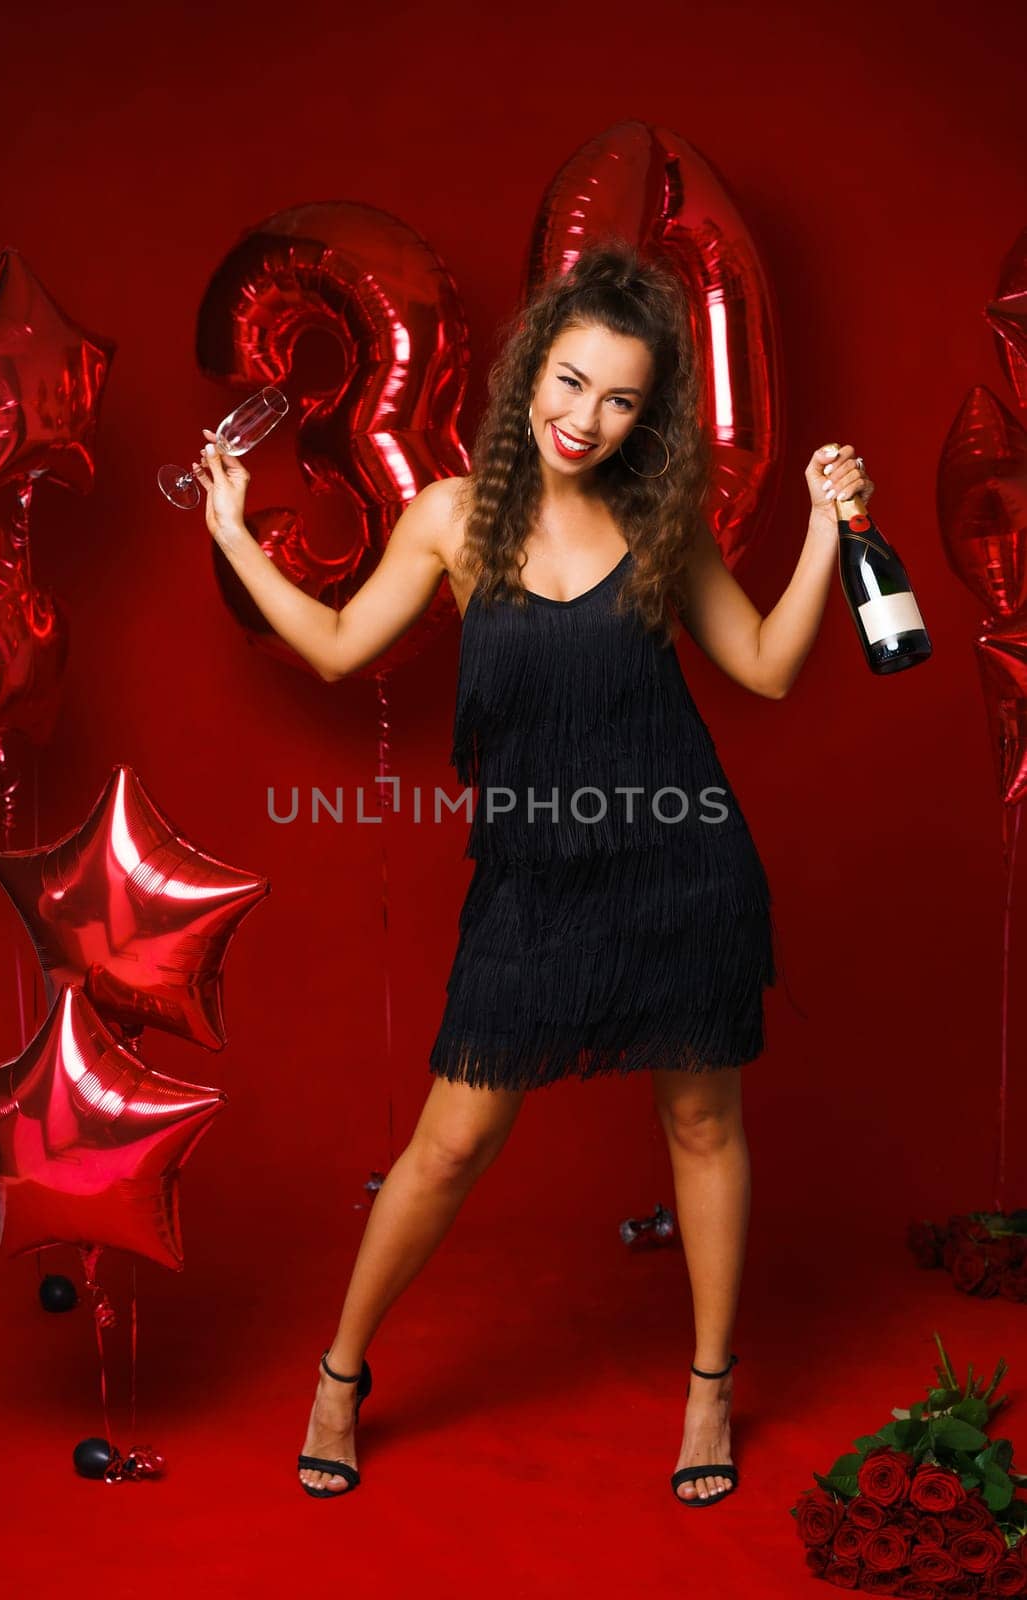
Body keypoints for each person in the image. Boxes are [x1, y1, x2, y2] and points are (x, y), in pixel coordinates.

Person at [190, 240, 874, 1505]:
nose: (585, 418)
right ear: (528, 377)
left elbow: (767, 667)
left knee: (701, 1120)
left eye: (619, 398)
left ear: (646, 411)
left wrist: (831, 536)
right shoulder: (452, 516)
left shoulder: (661, 517)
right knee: (449, 1142)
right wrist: (234, 534)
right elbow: (340, 647)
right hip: (531, 883)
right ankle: (340, 1371)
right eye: (568, 383)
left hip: (682, 864)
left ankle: (708, 1386)